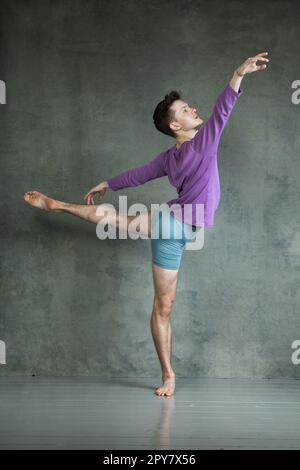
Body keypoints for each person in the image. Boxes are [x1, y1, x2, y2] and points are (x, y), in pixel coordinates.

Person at [24, 52, 269, 397]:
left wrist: (108, 183)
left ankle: (169, 376)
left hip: (175, 231)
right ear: (175, 126)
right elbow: (224, 107)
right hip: (174, 223)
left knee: (162, 304)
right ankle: (61, 205)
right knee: (122, 228)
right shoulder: (204, 143)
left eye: (189, 107)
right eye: (185, 110)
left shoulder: (169, 158)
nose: (193, 110)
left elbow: (138, 175)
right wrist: (239, 72)